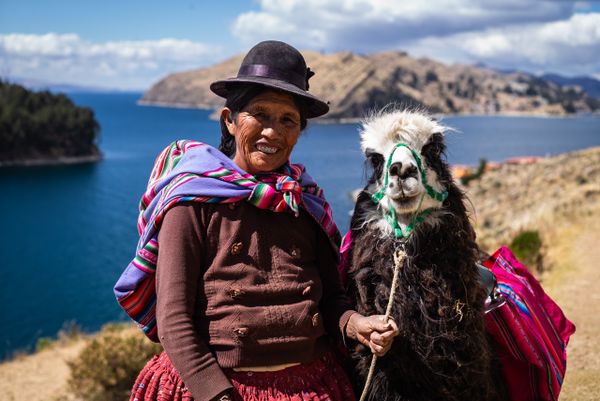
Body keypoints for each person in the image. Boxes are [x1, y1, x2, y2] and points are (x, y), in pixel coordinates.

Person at [115, 40, 399, 401]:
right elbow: (174, 321)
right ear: (229, 121)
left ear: (299, 131)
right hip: (215, 388)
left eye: (287, 120)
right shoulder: (191, 201)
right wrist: (217, 394)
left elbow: (331, 300)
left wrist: (356, 325)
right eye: (259, 114)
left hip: (310, 387)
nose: (272, 132)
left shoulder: (304, 202)